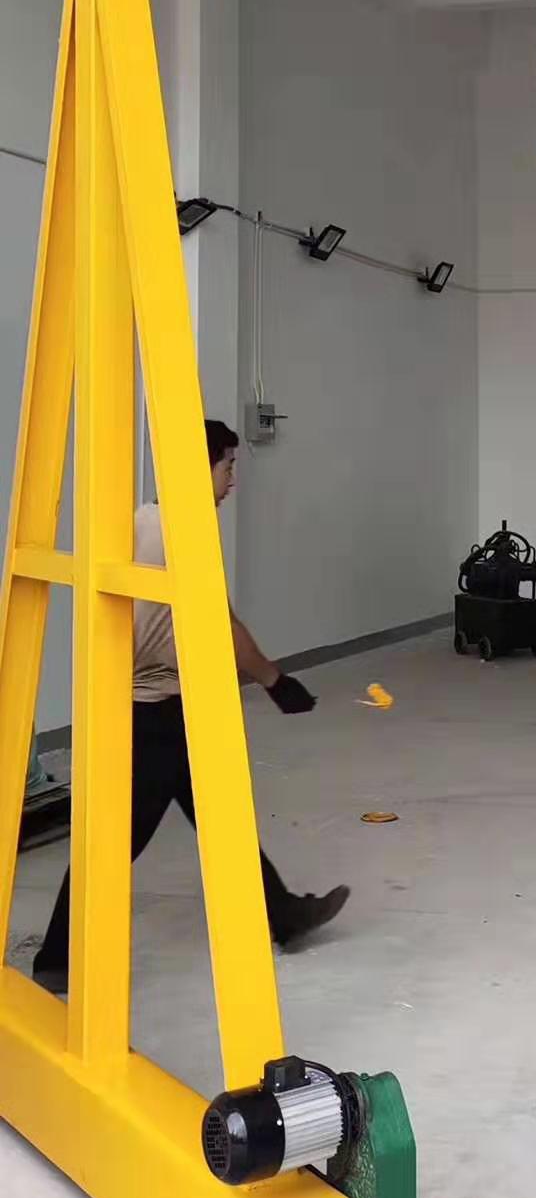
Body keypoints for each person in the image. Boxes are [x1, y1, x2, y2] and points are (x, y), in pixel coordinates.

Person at [33, 419, 349, 994]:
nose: (233, 480)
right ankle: (57, 958)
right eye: (228, 466)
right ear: (201, 468)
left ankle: (281, 912)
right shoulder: (183, 537)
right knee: (122, 842)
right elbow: (221, 626)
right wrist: (276, 681)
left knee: (214, 819)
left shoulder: (142, 522)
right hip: (154, 712)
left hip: (148, 704)